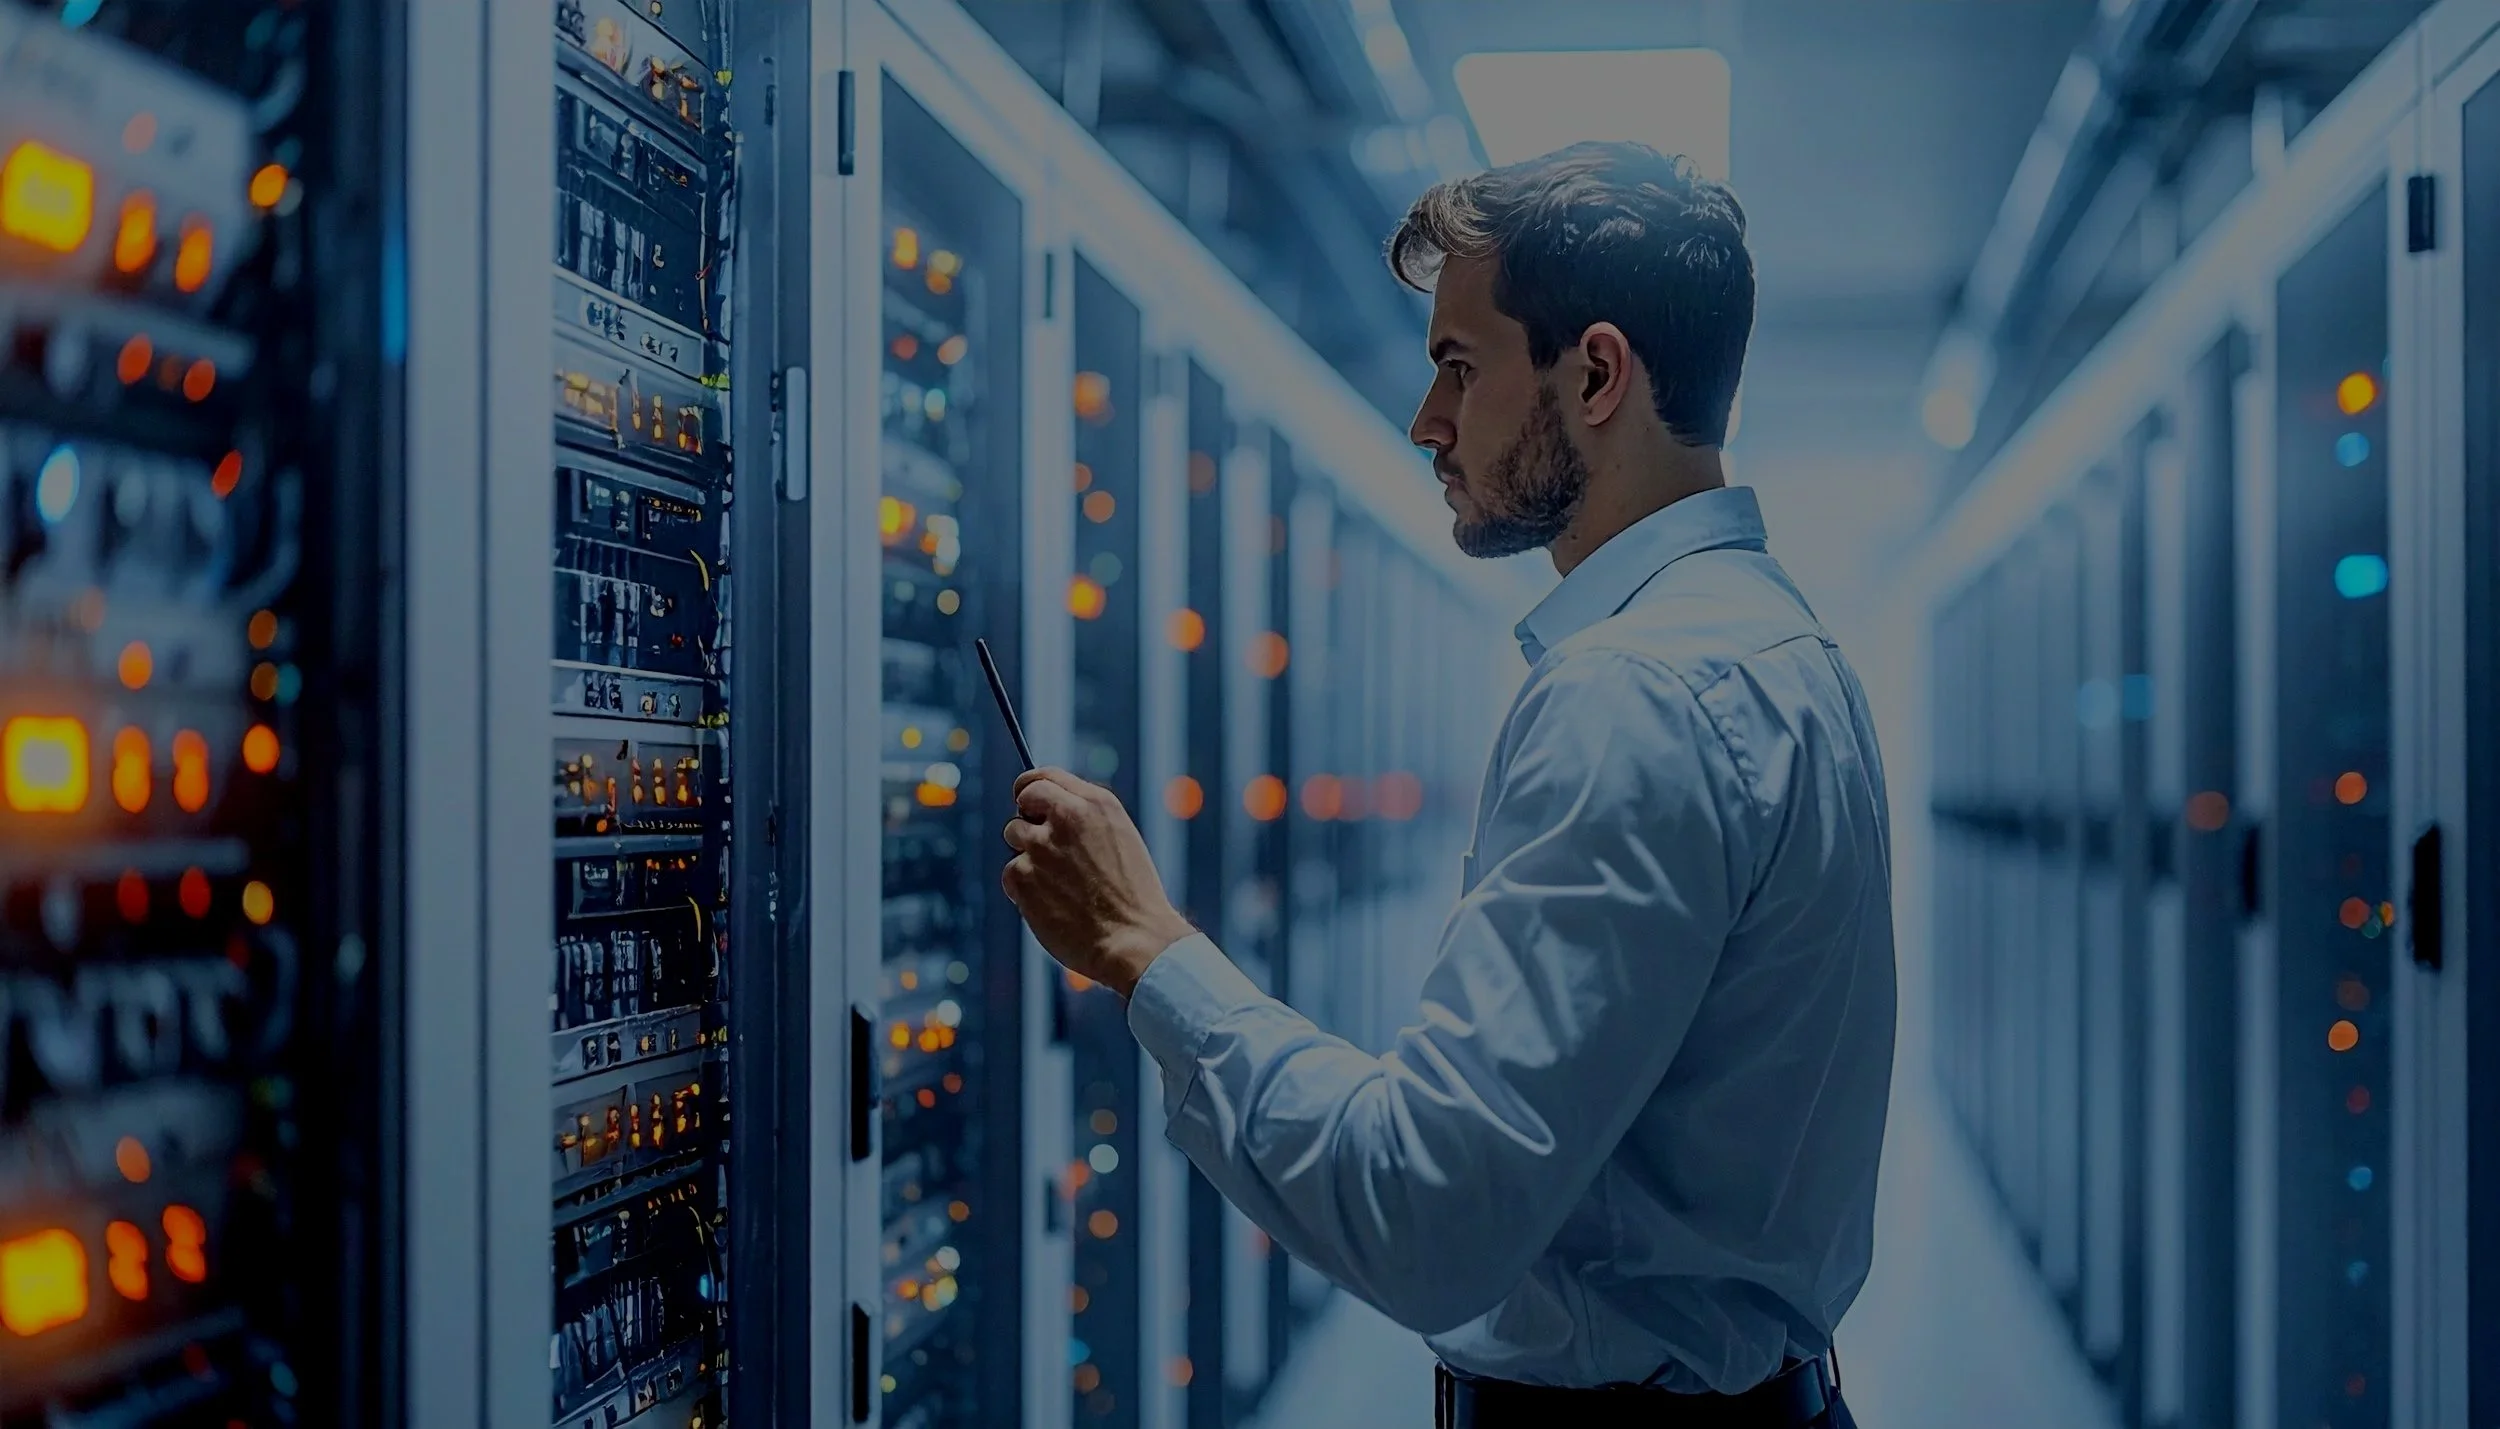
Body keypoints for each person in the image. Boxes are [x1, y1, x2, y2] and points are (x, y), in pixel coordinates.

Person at [999, 141, 1892, 1429]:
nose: (1427, 421)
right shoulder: (1779, 647)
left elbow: (1430, 1216)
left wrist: (1145, 947)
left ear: (1596, 373)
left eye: (1459, 368)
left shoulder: (1632, 693)